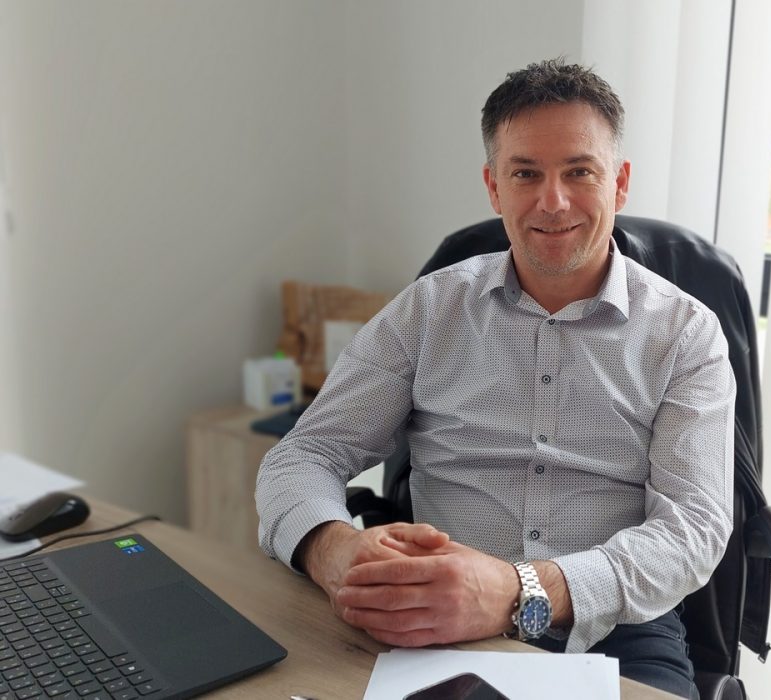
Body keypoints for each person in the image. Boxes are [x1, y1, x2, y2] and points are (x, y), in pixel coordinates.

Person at [255, 58, 735, 700]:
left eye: (579, 172)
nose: (553, 201)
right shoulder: (429, 310)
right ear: (493, 187)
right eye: (526, 173)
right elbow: (304, 455)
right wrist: (332, 548)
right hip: (431, 624)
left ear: (619, 183)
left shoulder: (685, 333)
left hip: (617, 632)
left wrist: (519, 591)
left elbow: (694, 526)